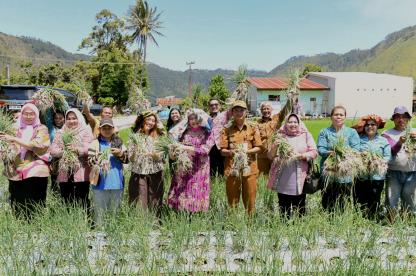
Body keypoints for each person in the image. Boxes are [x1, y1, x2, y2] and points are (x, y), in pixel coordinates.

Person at [0, 103, 50, 219]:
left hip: (36, 171)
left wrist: (14, 139)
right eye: (25, 113)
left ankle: (37, 224)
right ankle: (20, 224)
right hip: (15, 170)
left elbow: (37, 145)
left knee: (35, 198)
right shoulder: (12, 128)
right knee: (17, 198)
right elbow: (5, 146)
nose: (28, 116)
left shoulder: (41, 128)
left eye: (31, 114)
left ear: (36, 115)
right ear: (21, 114)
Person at [267, 114, 317, 218]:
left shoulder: (305, 134)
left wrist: (302, 156)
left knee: (300, 205)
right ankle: (284, 229)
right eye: (290, 122)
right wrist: (275, 146)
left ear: (299, 123)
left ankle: (299, 229)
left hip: (300, 177)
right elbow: (270, 156)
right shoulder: (280, 135)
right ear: (286, 123)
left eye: (295, 122)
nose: (293, 124)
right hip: (283, 177)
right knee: (283, 206)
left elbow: (314, 152)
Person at [167, 108, 215, 213]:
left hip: (200, 167)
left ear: (201, 119)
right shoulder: (182, 131)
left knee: (196, 189)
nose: (193, 121)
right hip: (184, 165)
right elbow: (174, 144)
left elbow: (205, 150)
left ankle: (195, 213)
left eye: (196, 118)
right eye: (191, 118)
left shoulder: (208, 132)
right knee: (183, 189)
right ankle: (180, 212)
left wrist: (185, 148)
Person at [220, 100, 262, 215]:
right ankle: (233, 224)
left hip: (249, 168)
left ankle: (250, 224)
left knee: (250, 198)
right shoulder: (226, 129)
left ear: (246, 112)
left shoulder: (253, 128)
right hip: (232, 169)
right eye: (236, 110)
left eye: (241, 110)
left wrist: (247, 152)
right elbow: (222, 150)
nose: (239, 113)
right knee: (232, 199)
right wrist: (231, 152)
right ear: (232, 113)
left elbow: (259, 147)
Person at [317, 105, 360, 212]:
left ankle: (341, 221)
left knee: (343, 199)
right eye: (336, 114)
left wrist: (344, 152)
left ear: (345, 117)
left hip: (345, 172)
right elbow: (321, 149)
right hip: (328, 172)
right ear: (331, 117)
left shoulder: (351, 132)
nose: (338, 117)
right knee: (327, 199)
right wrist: (330, 153)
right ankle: (328, 220)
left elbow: (356, 149)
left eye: (341, 115)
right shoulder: (324, 132)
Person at [50, 108, 94, 210]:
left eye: (74, 118)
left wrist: (77, 149)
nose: (71, 121)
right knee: (66, 200)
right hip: (64, 172)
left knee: (82, 200)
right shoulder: (61, 132)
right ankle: (69, 222)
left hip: (81, 172)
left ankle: (84, 222)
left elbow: (90, 148)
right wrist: (64, 152)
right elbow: (52, 150)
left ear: (79, 118)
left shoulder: (85, 131)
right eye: (68, 119)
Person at [88, 118, 127, 225]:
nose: (106, 130)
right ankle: (100, 235)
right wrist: (98, 156)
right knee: (100, 214)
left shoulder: (119, 142)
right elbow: (90, 162)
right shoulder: (95, 143)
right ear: (100, 129)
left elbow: (127, 160)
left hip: (116, 183)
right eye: (104, 128)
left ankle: (113, 234)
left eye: (109, 128)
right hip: (100, 184)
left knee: (114, 213)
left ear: (113, 129)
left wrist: (120, 154)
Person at [352, 114, 391, 219]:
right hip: (361, 176)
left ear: (377, 126)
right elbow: (354, 153)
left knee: (375, 198)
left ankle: (373, 219)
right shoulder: (359, 139)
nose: (370, 127)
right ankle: (360, 219)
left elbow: (388, 156)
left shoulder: (383, 140)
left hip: (377, 176)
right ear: (364, 127)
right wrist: (362, 158)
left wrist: (378, 161)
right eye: (367, 125)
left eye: (373, 124)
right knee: (360, 198)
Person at [128, 111, 166, 217]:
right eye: (148, 119)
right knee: (139, 199)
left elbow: (162, 155)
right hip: (139, 172)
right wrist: (135, 150)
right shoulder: (134, 137)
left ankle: (156, 223)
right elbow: (131, 159)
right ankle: (141, 225)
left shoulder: (158, 136)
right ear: (143, 120)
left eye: (153, 121)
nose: (151, 122)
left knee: (155, 198)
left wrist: (155, 155)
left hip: (156, 171)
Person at [382, 106, 416, 222]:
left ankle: (408, 222)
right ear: (393, 119)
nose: (401, 120)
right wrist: (400, 142)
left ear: (408, 119)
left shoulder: (414, 132)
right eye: (398, 117)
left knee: (409, 196)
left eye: (404, 117)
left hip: (412, 172)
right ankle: (391, 222)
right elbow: (391, 151)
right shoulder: (387, 134)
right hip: (393, 171)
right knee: (392, 197)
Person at [257, 98, 294, 175]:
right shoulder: (257, 123)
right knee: (262, 177)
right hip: (262, 156)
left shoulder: (277, 118)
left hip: (275, 154)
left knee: (276, 176)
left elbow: (286, 110)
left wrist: (290, 99)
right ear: (260, 111)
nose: (266, 111)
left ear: (271, 109)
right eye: (263, 109)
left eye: (268, 108)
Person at [49, 110, 65, 194]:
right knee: (54, 177)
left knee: (64, 176)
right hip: (53, 157)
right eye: (56, 118)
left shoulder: (67, 128)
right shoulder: (50, 128)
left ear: (64, 118)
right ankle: (55, 194)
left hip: (65, 156)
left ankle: (63, 193)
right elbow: (47, 113)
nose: (58, 120)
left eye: (60, 118)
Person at [208, 98, 224, 176]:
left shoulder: (225, 116)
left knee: (223, 170)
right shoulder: (206, 119)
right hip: (210, 148)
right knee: (211, 171)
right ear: (209, 107)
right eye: (211, 105)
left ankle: (222, 187)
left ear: (219, 106)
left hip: (222, 146)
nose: (214, 106)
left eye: (216, 104)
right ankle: (213, 187)